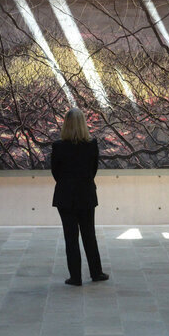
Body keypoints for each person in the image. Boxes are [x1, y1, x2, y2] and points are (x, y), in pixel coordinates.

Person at [50, 108, 109, 286]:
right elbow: (93, 170)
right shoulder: (92, 145)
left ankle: (75, 277)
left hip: (65, 196)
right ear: (84, 123)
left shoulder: (58, 146)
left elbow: (56, 172)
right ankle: (96, 272)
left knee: (71, 237)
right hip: (86, 194)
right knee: (89, 234)